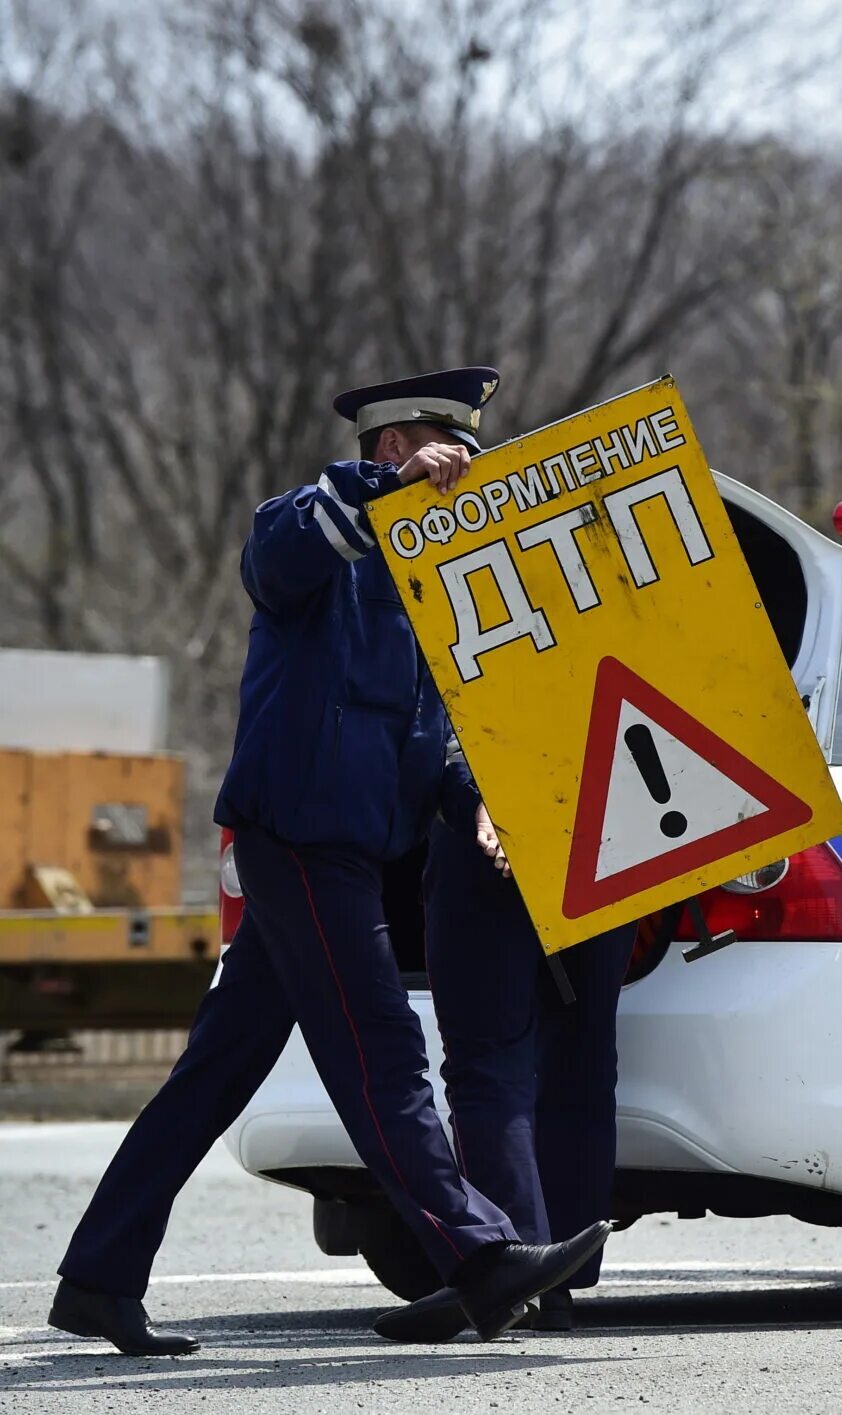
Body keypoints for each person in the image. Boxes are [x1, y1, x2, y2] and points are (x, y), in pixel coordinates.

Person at [48, 368, 610, 1357]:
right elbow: (277, 557)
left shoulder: (425, 577)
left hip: (338, 846)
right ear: (398, 450)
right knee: (383, 1053)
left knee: (214, 1074)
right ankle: (480, 1260)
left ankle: (98, 1275)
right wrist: (377, 493)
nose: (462, 478)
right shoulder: (309, 529)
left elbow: (428, 737)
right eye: (449, 455)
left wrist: (475, 803)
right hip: (297, 838)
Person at [370, 757, 637, 1342]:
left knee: (489, 1064)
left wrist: (475, 795)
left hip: (490, 830)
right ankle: (561, 1282)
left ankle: (524, 1274)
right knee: (583, 1059)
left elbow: (447, 723)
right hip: (609, 821)